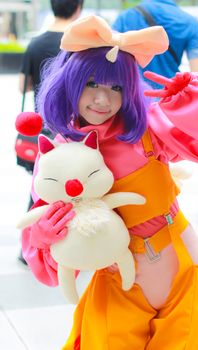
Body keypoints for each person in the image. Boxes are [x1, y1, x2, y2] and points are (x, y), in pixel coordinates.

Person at [21, 15, 198, 349]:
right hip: (117, 281)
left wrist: (193, 97)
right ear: (71, 83)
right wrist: (45, 235)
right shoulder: (60, 153)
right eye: (91, 83)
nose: (102, 100)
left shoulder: (148, 130)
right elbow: (50, 262)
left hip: (184, 273)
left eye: (116, 87)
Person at [17, 0, 83, 264]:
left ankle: (32, 248)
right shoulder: (79, 45)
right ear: (78, 7)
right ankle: (75, 245)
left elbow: (23, 87)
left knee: (40, 188)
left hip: (41, 131)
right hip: (72, 131)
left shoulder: (34, 44)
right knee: (77, 188)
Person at [112, 0, 198, 88]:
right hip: (170, 96)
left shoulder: (126, 17)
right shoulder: (190, 23)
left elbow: (109, 59)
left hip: (134, 95)